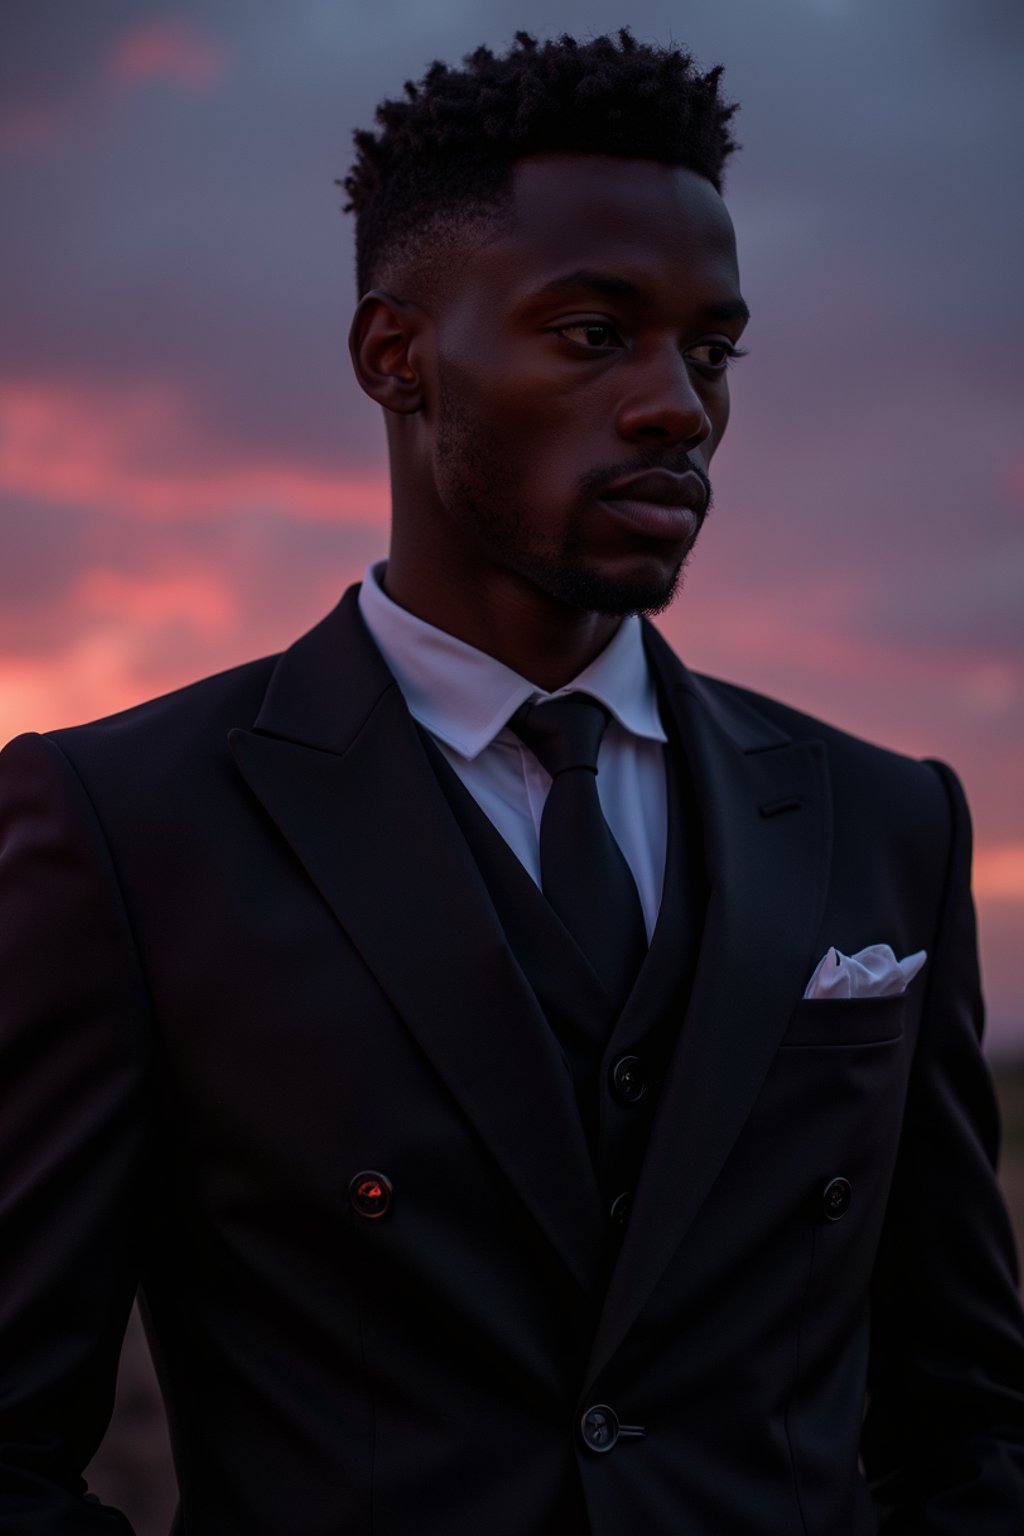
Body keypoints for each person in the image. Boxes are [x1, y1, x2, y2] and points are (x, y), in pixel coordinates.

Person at [1, 28, 1022, 1535]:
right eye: (597, 332)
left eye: (713, 348)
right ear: (394, 357)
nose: (679, 401)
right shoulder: (127, 830)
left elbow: (970, 1425)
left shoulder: (889, 823)